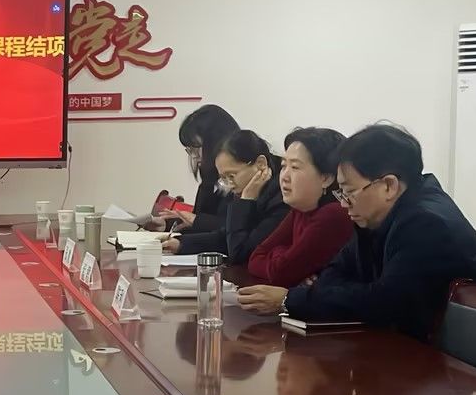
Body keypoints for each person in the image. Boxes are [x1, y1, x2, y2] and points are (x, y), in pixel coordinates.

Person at [239, 123, 476, 340]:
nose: (343, 203)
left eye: (349, 192)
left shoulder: (424, 223)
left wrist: (290, 299)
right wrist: (347, 291)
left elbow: (383, 302)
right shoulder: (377, 212)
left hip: (452, 365)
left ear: (388, 186)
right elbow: (337, 271)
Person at [245, 127, 355, 287]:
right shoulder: (302, 208)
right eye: (284, 166)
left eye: (295, 167)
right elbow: (256, 258)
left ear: (326, 178)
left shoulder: (335, 214)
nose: (284, 176)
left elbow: (281, 273)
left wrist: (280, 254)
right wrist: (286, 257)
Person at [164, 129, 288, 261]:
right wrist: (180, 243)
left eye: (232, 176)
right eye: (223, 178)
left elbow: (240, 253)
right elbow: (225, 237)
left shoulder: (282, 199)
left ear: (260, 164)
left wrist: (245, 200)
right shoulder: (252, 190)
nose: (229, 184)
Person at [147, 105, 239, 234]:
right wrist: (167, 226)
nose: (194, 157)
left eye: (196, 149)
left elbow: (234, 227)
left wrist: (195, 220)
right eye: (190, 150)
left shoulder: (242, 180)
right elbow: (200, 226)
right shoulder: (208, 181)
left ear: (217, 143)